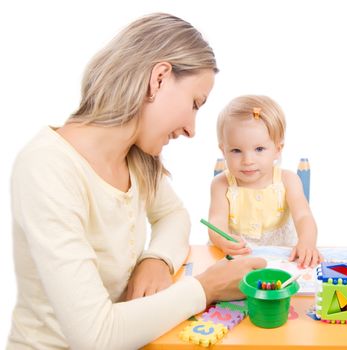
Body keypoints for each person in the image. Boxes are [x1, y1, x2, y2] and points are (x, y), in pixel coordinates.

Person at [7, 13, 266, 350]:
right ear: (158, 78)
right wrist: (207, 288)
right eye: (194, 104)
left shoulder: (134, 157)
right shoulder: (47, 167)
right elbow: (95, 337)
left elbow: (174, 215)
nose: (191, 128)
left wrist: (155, 259)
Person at [207, 95, 322, 268]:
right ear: (223, 150)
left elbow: (303, 216)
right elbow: (216, 222)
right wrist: (223, 239)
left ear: (278, 149)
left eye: (259, 149)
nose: (247, 160)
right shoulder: (221, 184)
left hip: (282, 258)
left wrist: (307, 242)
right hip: (237, 257)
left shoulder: (287, 180)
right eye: (236, 150)